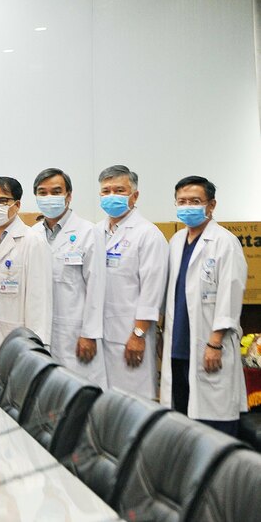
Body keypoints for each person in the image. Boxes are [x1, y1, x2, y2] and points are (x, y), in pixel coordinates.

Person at [160, 176, 247, 435]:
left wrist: (215, 342)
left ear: (211, 205)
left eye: (195, 201)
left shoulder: (225, 242)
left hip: (209, 344)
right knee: (182, 419)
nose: (188, 207)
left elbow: (230, 295)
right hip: (179, 346)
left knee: (214, 424)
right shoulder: (176, 241)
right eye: (182, 201)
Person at [97, 164, 168, 399]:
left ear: (134, 196)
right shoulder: (96, 231)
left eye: (119, 190)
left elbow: (152, 291)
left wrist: (138, 334)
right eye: (106, 191)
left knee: (133, 403)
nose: (112, 196)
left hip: (130, 335)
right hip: (100, 335)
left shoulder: (148, 234)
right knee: (103, 402)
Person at [33, 169, 107, 388]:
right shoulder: (33, 234)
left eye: (56, 192)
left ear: (69, 195)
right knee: (46, 392)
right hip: (42, 330)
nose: (49, 197)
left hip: (75, 331)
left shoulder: (88, 232)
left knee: (79, 392)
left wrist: (89, 334)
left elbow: (97, 286)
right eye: (42, 192)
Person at [0, 176, 53, 370]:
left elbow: (39, 301)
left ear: (17, 204)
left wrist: (37, 348)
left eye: (2, 201)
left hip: (18, 338)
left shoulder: (33, 241)